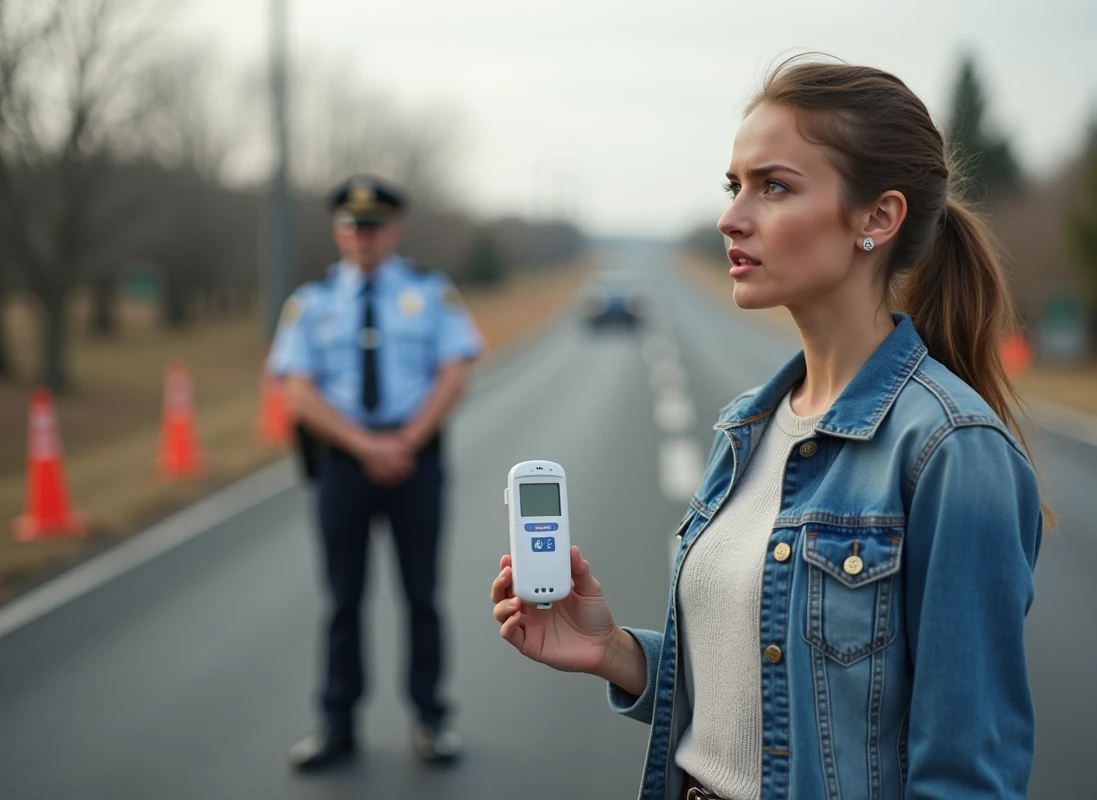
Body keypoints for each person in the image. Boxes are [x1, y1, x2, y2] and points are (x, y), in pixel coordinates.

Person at [490, 59, 1049, 800]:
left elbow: (967, 777)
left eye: (774, 186)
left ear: (877, 218)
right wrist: (614, 652)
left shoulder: (953, 451)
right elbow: (782, 709)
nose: (731, 217)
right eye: (734, 185)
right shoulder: (750, 425)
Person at [270, 174, 484, 770]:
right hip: (343, 464)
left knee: (422, 597)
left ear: (394, 230)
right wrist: (365, 447)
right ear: (339, 231)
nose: (363, 237)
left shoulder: (430, 292)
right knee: (342, 600)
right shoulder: (311, 304)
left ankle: (431, 721)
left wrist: (404, 441)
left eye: (374, 226)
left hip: (415, 460)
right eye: (352, 226)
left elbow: (454, 373)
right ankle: (336, 725)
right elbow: (297, 391)